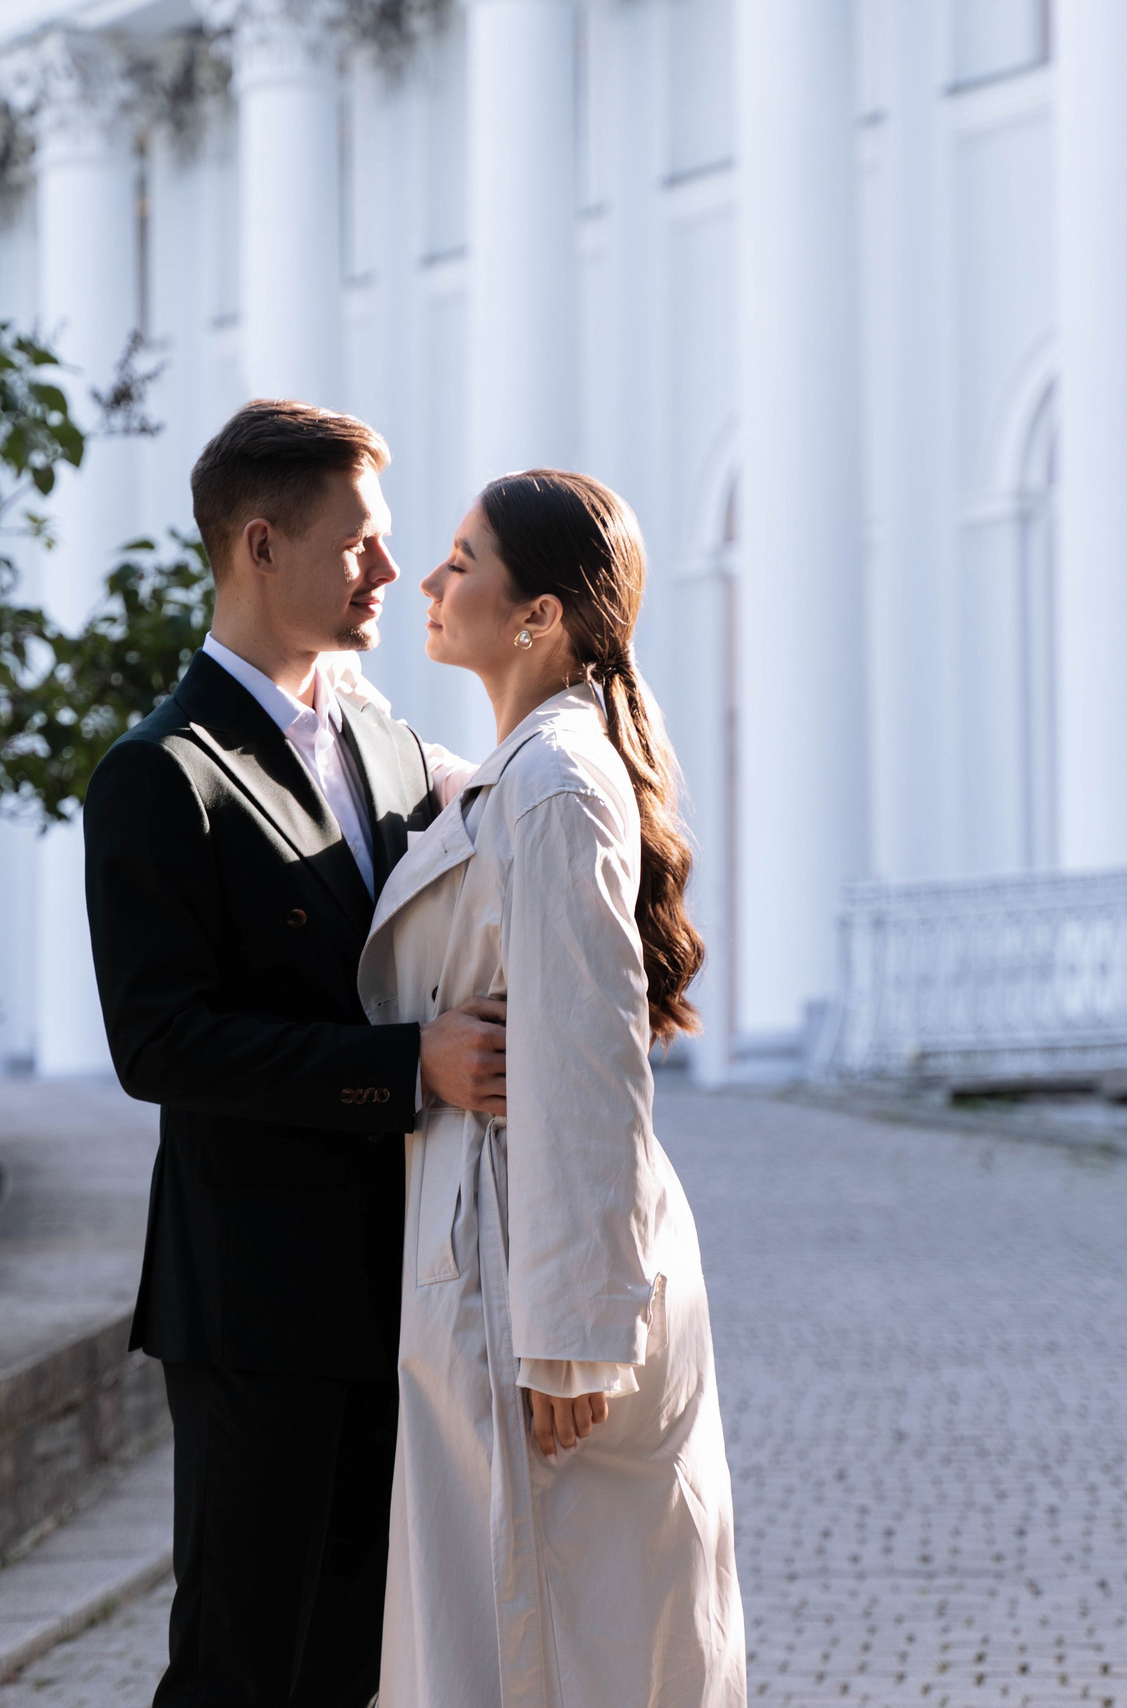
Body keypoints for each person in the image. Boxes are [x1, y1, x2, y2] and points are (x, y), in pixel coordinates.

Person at [83, 400, 504, 1707]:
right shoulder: (160, 774)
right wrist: (402, 1071)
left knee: (361, 1660)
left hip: (403, 1285)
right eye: (362, 544)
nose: (392, 571)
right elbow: (161, 1043)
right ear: (260, 546)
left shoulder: (385, 741)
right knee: (238, 1663)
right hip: (253, 1301)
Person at [359, 470, 747, 1705]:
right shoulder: (520, 768)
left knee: (550, 1641)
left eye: (462, 560)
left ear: (540, 617)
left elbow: (587, 1056)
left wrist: (575, 1336)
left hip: (534, 1277)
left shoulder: (555, 783)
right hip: (499, 1248)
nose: (430, 580)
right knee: (540, 1633)